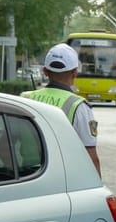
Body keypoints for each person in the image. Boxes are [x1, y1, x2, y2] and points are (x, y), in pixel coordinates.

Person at [22, 43, 101, 175]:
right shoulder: (79, 106)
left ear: (45, 71)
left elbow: (3, 146)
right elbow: (90, 156)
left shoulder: (25, 98)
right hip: (61, 180)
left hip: (25, 177)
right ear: (75, 72)